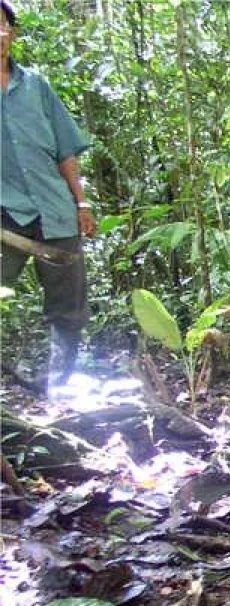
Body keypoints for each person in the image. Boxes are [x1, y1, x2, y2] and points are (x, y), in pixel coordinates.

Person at [0, 0, 95, 390]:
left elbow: (65, 151)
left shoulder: (35, 85)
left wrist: (81, 202)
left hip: (54, 208)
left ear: (12, 33)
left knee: (67, 303)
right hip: (5, 214)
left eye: (2, 26)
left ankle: (60, 383)